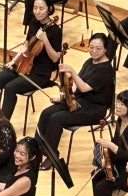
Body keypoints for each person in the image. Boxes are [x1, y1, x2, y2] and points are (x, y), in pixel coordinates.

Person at [34, 32, 114, 170]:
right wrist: (64, 99)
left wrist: (71, 70)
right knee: (46, 113)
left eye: (98, 48)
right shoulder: (89, 61)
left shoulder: (106, 69)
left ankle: (51, 155)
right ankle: (36, 151)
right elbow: (76, 86)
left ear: (105, 49)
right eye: (91, 47)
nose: (94, 51)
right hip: (78, 101)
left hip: (93, 109)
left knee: (56, 119)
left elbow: (83, 87)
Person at [0, 0, 62, 119]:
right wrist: (14, 61)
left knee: (10, 87)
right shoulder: (34, 23)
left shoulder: (55, 31)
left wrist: (45, 40)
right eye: (35, 8)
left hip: (39, 74)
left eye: (41, 8)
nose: (37, 12)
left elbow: (55, 58)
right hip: (23, 65)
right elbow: (26, 46)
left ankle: (3, 124)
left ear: (49, 9)